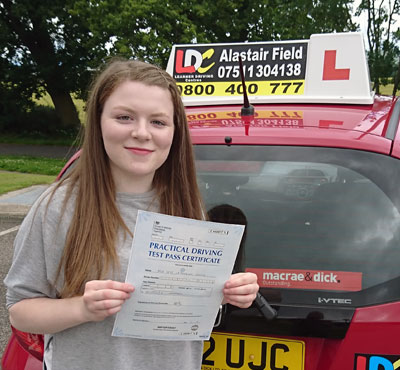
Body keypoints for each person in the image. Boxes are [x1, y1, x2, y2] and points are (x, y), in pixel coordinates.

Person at [4, 59, 258, 370]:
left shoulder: (189, 209)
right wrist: (82, 309)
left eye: (158, 122)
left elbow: (182, 307)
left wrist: (225, 293)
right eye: (124, 117)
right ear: (98, 121)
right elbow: (20, 310)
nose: (141, 133)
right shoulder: (56, 207)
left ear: (175, 133)